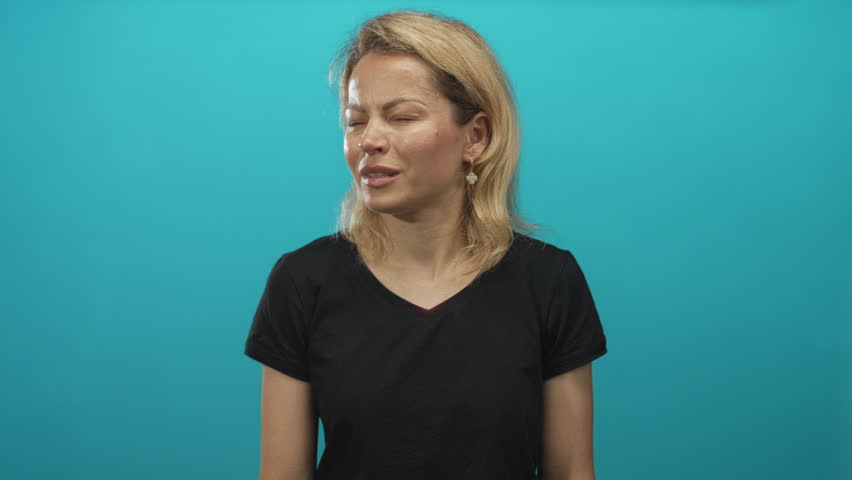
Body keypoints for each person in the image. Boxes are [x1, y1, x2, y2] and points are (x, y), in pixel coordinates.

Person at [244, 9, 608, 480]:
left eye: (401, 117)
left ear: (476, 136)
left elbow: (572, 471)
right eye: (356, 121)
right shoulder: (301, 283)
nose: (369, 140)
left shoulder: (549, 281)